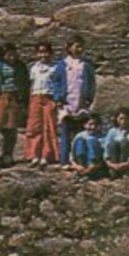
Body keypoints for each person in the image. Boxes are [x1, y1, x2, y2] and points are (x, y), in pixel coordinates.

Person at [49, 35, 97, 168]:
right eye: (76, 46)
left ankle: (79, 159)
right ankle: (64, 160)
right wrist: (58, 98)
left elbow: (91, 83)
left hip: (81, 103)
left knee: (81, 134)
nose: (79, 49)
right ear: (69, 48)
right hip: (66, 104)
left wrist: (89, 98)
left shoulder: (86, 65)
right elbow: (56, 82)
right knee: (65, 133)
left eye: (81, 46)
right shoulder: (62, 65)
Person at [0, 42, 28, 166]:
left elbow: (25, 83)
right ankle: (4, 152)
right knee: (3, 126)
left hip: (15, 96)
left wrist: (24, 100)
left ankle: (9, 154)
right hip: (3, 97)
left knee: (12, 126)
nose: (11, 57)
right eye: (8, 55)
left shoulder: (21, 66)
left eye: (13, 54)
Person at [23, 42, 61, 166]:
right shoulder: (33, 68)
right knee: (34, 126)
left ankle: (47, 155)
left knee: (48, 126)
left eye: (46, 52)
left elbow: (57, 85)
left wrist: (56, 100)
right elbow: (31, 85)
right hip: (36, 97)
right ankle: (34, 154)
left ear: (50, 53)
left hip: (49, 97)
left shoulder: (54, 68)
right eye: (40, 52)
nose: (43, 55)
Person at [102, 108, 129, 177]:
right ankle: (114, 172)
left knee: (124, 142)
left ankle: (124, 171)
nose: (123, 121)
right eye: (121, 118)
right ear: (116, 119)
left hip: (128, 162)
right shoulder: (112, 132)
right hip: (114, 162)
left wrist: (126, 164)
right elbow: (106, 150)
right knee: (113, 144)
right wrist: (111, 164)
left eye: (126, 119)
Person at [66, 114, 107, 179]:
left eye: (95, 125)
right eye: (90, 124)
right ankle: (82, 171)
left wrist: (93, 167)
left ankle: (88, 174)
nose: (93, 127)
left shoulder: (102, 137)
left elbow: (104, 157)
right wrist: (77, 166)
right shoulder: (79, 135)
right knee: (80, 141)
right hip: (81, 166)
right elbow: (72, 155)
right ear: (84, 125)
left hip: (95, 166)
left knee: (91, 140)